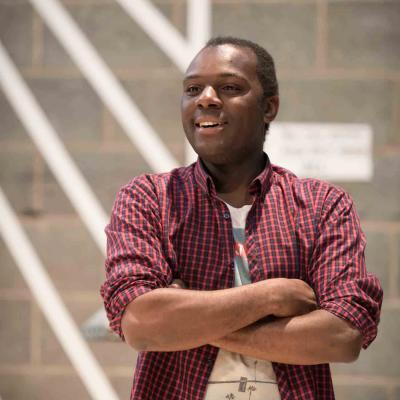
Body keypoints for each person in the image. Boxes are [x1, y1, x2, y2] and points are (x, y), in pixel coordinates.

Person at [101, 37, 383, 400]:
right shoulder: (148, 200)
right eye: (192, 88)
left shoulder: (322, 205)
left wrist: (184, 321)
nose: (206, 98)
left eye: (230, 87)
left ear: (269, 107)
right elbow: (141, 323)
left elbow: (342, 337)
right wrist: (271, 296)